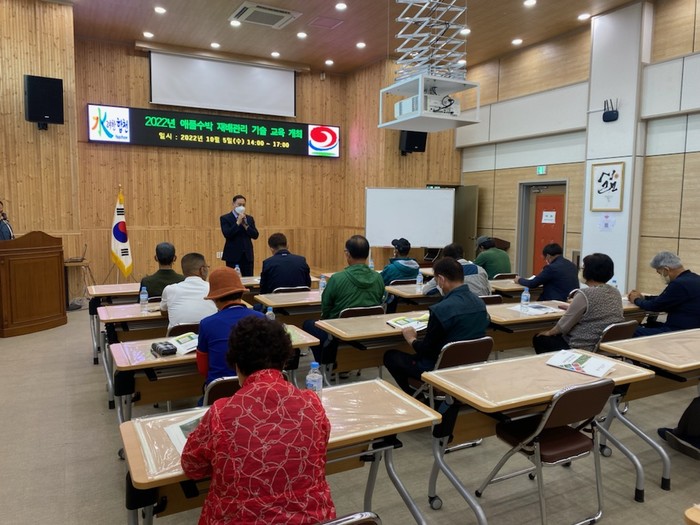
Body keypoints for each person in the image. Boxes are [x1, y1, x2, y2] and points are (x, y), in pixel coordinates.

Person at [182, 316, 336, 524]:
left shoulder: (221, 412)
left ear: (236, 365)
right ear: (284, 361)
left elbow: (192, 466)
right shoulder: (312, 404)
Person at [383, 257, 490, 395]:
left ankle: (418, 397)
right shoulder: (480, 304)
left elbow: (427, 351)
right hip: (469, 369)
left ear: (441, 279)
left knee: (391, 357)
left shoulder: (440, 309)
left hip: (437, 371)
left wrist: (411, 339)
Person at [302, 235, 385, 363]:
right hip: (368, 330)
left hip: (338, 333)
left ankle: (324, 364)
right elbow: (380, 300)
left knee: (308, 324)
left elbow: (326, 307)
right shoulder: (378, 278)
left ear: (348, 254)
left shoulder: (337, 279)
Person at [532, 253, 624, 353]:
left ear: (589, 271)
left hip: (582, 347)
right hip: (606, 345)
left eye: (583, 268)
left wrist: (549, 332)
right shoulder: (615, 291)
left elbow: (563, 326)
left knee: (539, 338)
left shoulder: (584, 294)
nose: (581, 270)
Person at [196, 266, 264, 386]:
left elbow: (203, 369)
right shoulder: (262, 319)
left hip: (219, 391)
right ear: (241, 293)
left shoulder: (206, 324)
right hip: (257, 390)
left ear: (214, 299)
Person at [628, 251, 700, 337]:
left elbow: (654, 306)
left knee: (628, 330)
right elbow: (665, 299)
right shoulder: (694, 279)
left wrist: (636, 300)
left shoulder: (679, 284)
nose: (661, 276)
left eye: (659, 273)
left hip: (678, 333)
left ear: (666, 270)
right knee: (650, 324)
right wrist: (644, 298)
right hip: (692, 330)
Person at [160, 253, 217, 331]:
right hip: (208, 336)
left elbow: (163, 312)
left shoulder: (169, 289)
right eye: (207, 267)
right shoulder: (213, 288)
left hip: (177, 337)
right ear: (202, 270)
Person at [422, 242, 490, 296]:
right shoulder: (480, 270)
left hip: (459, 307)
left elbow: (426, 290)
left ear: (445, 258)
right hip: (482, 306)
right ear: (463, 254)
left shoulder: (446, 271)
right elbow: (488, 291)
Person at [220, 194, 259, 276]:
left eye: (243, 205)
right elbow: (227, 234)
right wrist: (237, 222)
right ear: (233, 204)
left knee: (248, 278)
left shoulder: (249, 218)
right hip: (232, 255)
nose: (241, 207)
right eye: (239, 204)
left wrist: (246, 226)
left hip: (247, 255)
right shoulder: (225, 218)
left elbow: (255, 235)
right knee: (232, 278)